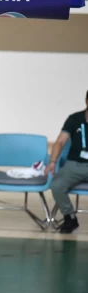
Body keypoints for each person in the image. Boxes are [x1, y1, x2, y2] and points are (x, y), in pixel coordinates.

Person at [45, 90, 88, 234]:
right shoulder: (74, 119)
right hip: (74, 164)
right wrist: (52, 162)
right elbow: (60, 141)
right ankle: (70, 217)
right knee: (57, 185)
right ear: (86, 101)